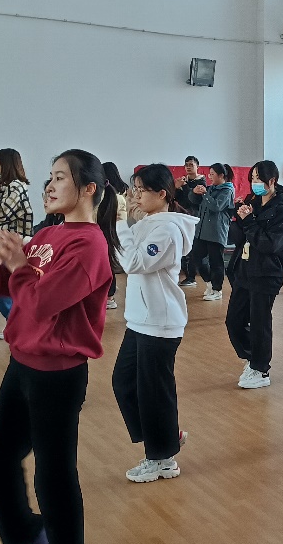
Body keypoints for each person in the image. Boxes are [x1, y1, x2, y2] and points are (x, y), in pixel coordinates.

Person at [0, 148, 120, 544]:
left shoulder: (90, 246)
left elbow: (40, 302)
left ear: (89, 188)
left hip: (58, 375)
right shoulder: (48, 233)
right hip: (22, 364)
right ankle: (31, 534)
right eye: (49, 177)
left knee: (53, 478)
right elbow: (5, 288)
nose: (50, 185)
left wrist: (20, 266)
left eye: (60, 177)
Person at [112, 163, 198, 482]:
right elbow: (125, 253)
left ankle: (162, 459)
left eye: (141, 190)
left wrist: (120, 222)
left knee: (154, 392)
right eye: (133, 189)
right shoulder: (149, 223)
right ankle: (165, 435)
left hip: (160, 322)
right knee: (124, 382)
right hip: (140, 320)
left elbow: (134, 262)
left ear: (162, 194)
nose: (135, 195)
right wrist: (127, 221)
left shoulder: (167, 230)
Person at [226, 160, 283, 390]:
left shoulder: (280, 209)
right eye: (252, 178)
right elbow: (238, 238)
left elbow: (269, 244)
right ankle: (253, 358)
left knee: (260, 322)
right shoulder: (252, 202)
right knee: (233, 321)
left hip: (267, 272)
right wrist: (238, 216)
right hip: (245, 269)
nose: (254, 183)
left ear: (271, 181)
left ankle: (261, 369)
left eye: (258, 178)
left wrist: (250, 222)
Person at [0, 149, 35, 324]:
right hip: (2, 242)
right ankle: (16, 324)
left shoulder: (16, 186)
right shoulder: (4, 186)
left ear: (6, 163)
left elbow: (1, 214)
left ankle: (18, 324)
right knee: (1, 286)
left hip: (12, 244)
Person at [186, 163, 235, 302]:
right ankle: (209, 282)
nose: (210, 177)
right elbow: (193, 201)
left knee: (216, 262)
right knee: (197, 257)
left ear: (221, 175)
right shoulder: (210, 188)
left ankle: (217, 289)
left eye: (212, 174)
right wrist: (194, 192)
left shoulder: (227, 190)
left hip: (216, 232)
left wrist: (205, 194)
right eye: (209, 174)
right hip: (202, 231)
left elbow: (216, 206)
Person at [101, 162, 130, 310]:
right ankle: (110, 292)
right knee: (109, 264)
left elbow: (119, 216)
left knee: (108, 265)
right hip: (116, 232)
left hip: (111, 232)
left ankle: (110, 297)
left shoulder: (112, 195)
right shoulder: (123, 189)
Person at [175, 156, 206, 287]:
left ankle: (191, 276)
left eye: (191, 165)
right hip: (182, 216)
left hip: (195, 218)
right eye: (186, 165)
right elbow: (176, 199)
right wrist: (176, 188)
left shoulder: (201, 182)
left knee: (191, 248)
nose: (188, 167)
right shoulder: (183, 181)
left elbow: (194, 200)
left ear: (197, 166)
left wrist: (186, 187)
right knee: (181, 247)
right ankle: (186, 274)